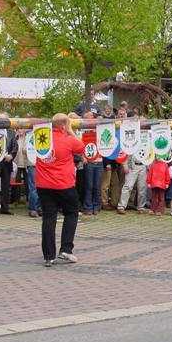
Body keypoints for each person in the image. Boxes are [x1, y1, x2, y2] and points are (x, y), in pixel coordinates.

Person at [36, 113, 85, 267]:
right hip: (64, 184)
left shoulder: (42, 138)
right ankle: (66, 249)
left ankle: (48, 256)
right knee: (71, 213)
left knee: (48, 218)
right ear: (64, 125)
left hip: (43, 185)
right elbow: (81, 147)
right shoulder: (68, 139)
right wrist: (70, 131)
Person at [0, 113, 18, 216]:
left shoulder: (11, 132)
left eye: (4, 120)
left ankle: (5, 208)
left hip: (6, 163)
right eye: (0, 119)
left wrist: (11, 155)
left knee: (6, 187)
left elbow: (15, 146)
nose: (2, 122)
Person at [82, 112, 103, 215]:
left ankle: (96, 206)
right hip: (89, 161)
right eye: (86, 117)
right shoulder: (83, 130)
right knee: (89, 185)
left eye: (90, 117)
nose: (89, 119)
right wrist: (83, 157)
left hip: (99, 161)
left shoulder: (99, 129)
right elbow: (80, 144)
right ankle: (88, 207)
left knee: (97, 185)